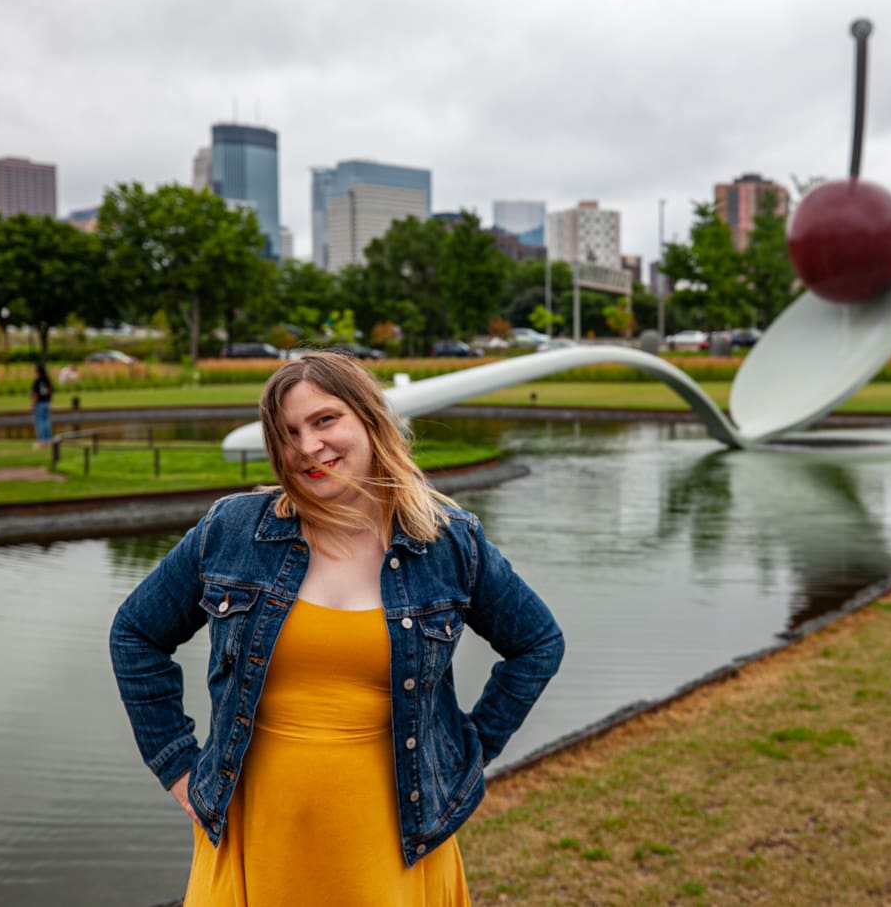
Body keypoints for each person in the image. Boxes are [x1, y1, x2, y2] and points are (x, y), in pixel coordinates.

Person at [110, 350, 564, 905]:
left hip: (394, 838)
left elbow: (538, 643)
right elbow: (135, 634)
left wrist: (469, 748)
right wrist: (176, 764)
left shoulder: (449, 542)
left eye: (325, 420)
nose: (307, 447)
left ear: (369, 419)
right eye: (288, 432)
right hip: (257, 829)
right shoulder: (231, 530)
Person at [29, 361, 53, 447]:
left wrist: (33, 404)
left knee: (40, 422)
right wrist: (49, 401)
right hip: (46, 403)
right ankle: (49, 440)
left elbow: (36, 394)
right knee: (46, 421)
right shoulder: (47, 379)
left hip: (39, 403)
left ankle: (42, 442)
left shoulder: (37, 380)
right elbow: (50, 392)